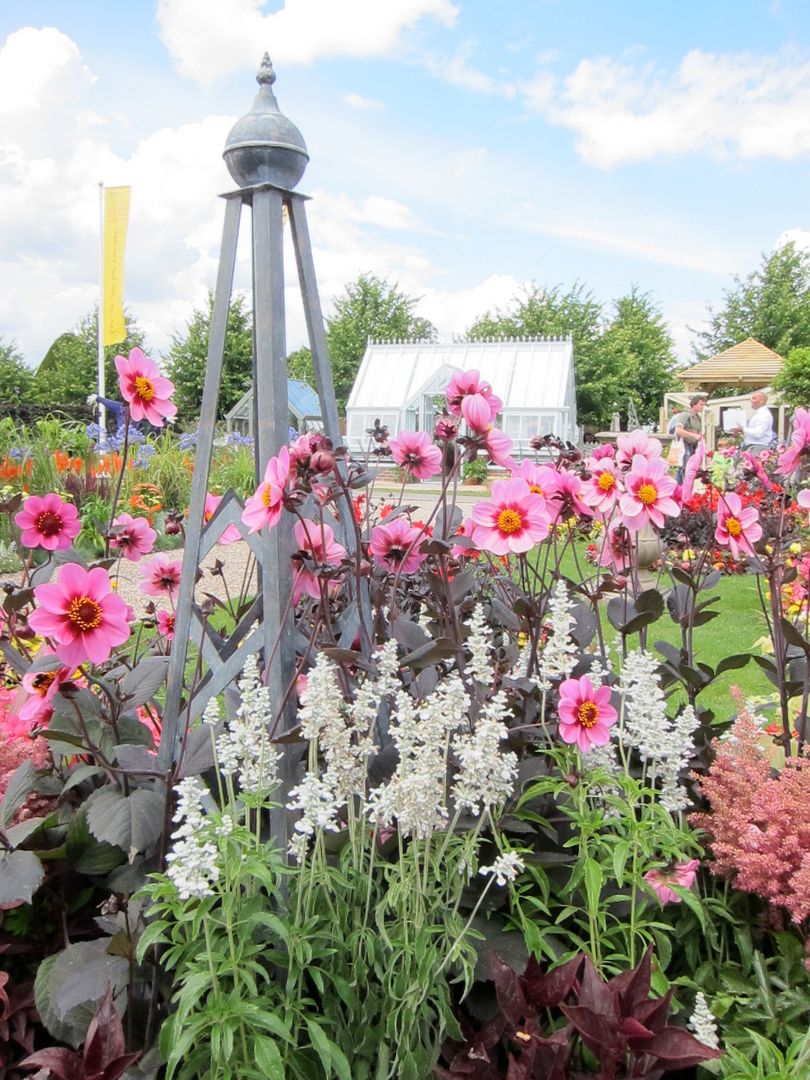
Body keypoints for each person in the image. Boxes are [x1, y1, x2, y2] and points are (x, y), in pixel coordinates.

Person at [673, 394, 707, 483]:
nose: (703, 406)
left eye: (704, 404)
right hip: (685, 446)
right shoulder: (685, 415)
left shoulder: (698, 418)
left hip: (694, 447)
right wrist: (694, 435)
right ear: (694, 404)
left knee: (691, 471)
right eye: (701, 404)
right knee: (684, 470)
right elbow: (678, 430)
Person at [733, 389, 776, 455]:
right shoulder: (759, 414)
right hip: (755, 447)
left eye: (754, 398)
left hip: (758, 449)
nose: (751, 400)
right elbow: (754, 433)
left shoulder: (763, 414)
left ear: (762, 401)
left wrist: (743, 429)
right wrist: (741, 432)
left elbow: (758, 434)